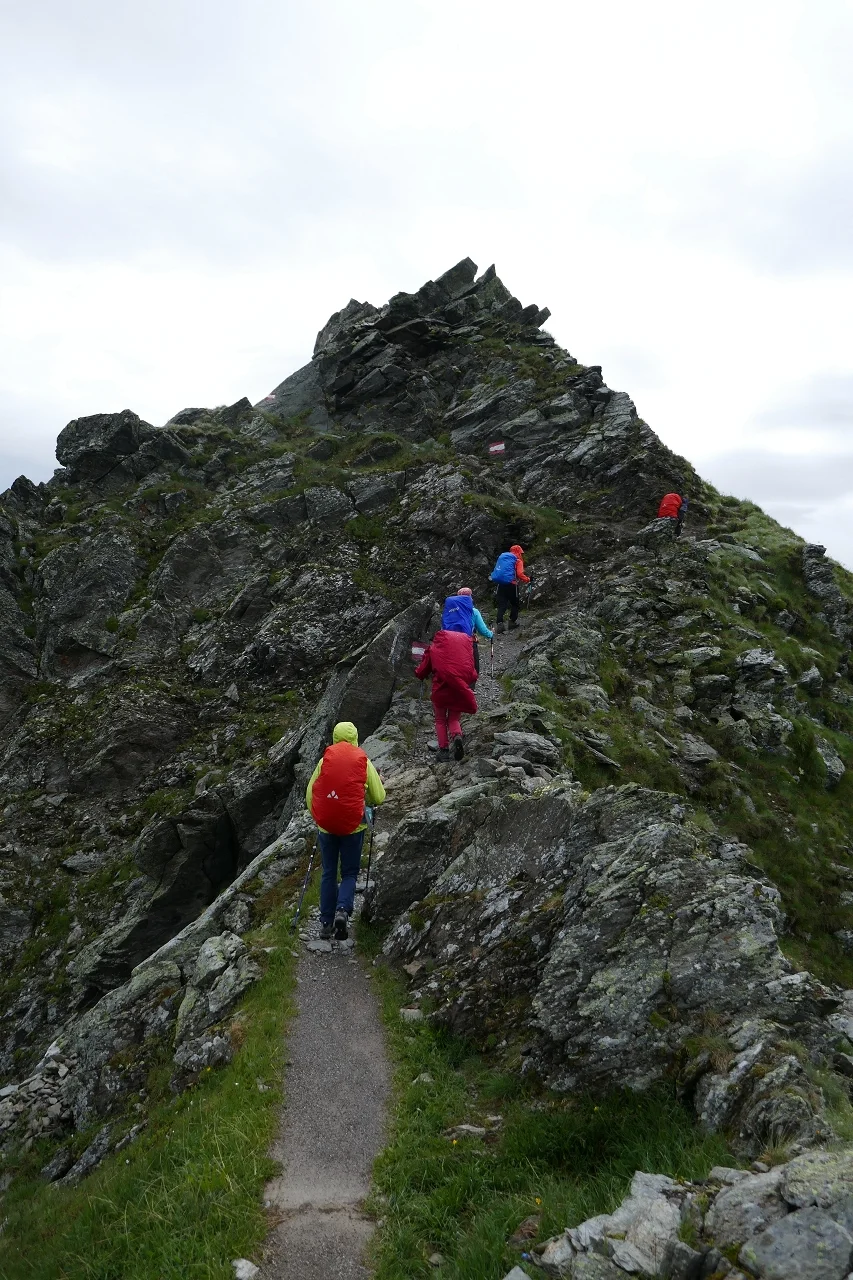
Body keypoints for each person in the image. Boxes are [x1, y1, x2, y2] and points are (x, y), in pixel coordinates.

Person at [305, 721, 386, 940]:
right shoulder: (363, 760)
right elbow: (378, 797)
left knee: (329, 872)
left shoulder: (325, 760)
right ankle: (343, 910)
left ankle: (325, 923)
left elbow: (310, 794)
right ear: (355, 737)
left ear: (334, 737)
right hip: (353, 827)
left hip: (327, 827)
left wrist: (320, 817)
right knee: (350, 872)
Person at [415, 627, 478, 762]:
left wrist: (419, 674)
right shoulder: (463, 651)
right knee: (454, 719)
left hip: (441, 690)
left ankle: (444, 751)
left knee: (440, 720)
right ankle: (457, 736)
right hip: (459, 688)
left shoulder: (434, 649)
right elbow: (473, 673)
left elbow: (423, 670)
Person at [489, 543, 530, 632]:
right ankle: (512, 622)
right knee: (515, 604)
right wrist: (528, 579)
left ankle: (500, 624)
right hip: (512, 585)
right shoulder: (518, 561)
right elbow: (519, 574)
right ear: (519, 552)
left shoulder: (503, 559)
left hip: (501, 584)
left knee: (502, 605)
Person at [457, 586, 493, 676]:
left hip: (452, 642)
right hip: (469, 643)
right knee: (474, 669)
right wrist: (491, 634)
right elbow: (482, 630)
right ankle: (469, 688)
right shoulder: (474, 612)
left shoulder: (452, 611)